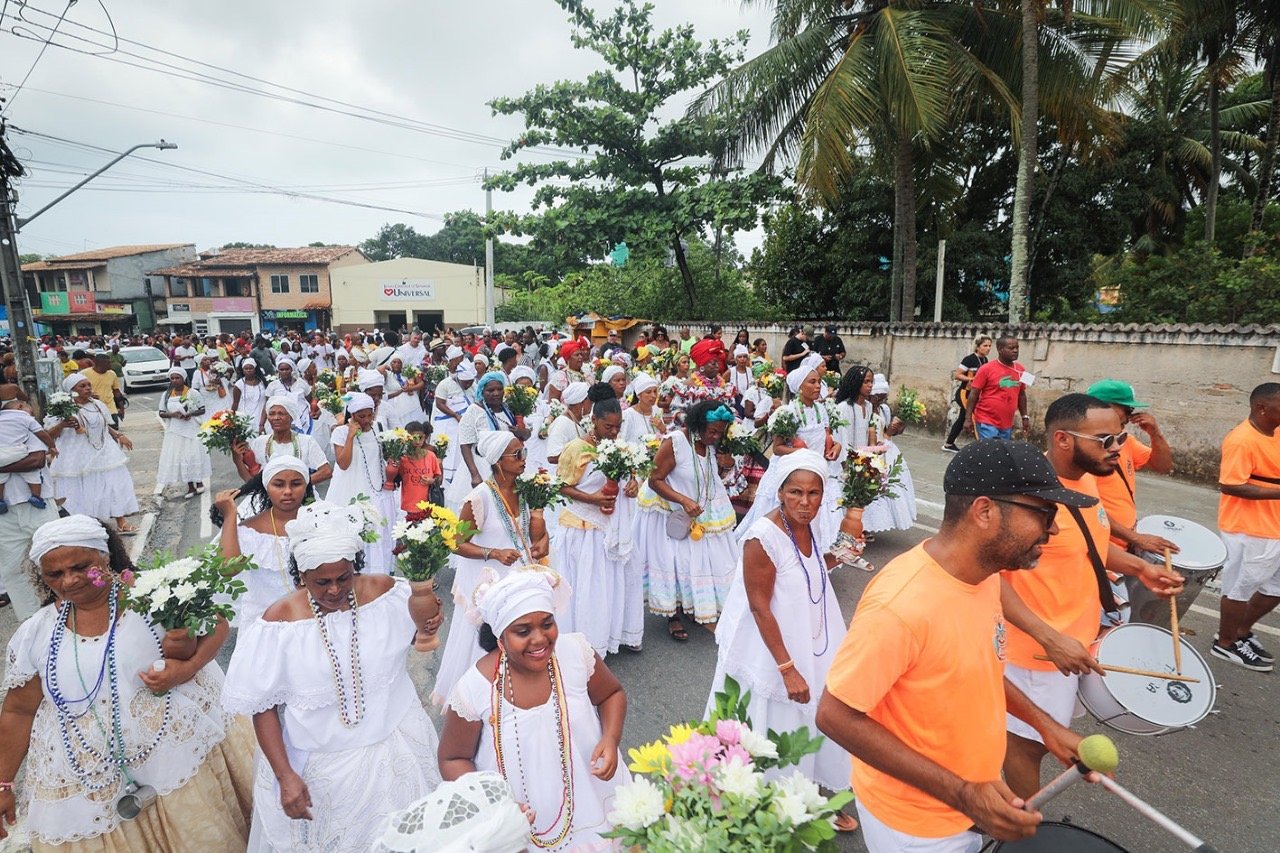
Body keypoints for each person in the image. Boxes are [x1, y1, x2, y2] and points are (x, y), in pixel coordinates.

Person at [815, 441, 1099, 851]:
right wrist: (963, 793)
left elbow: (979, 671)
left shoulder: (984, 577)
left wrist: (1046, 727)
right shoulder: (902, 606)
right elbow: (835, 715)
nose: (1053, 529)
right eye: (1044, 512)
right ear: (984, 512)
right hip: (916, 825)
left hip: (966, 800)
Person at [1, 515, 255, 850]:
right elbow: (19, 711)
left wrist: (187, 668)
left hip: (174, 763)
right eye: (55, 574)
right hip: (90, 786)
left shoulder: (155, 593)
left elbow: (217, 624)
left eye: (80, 566)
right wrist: (3, 783)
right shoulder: (36, 635)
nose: (70, 581)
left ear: (105, 557)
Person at [221, 500, 444, 852]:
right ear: (300, 577)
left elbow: (419, 634)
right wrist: (285, 776)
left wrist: (428, 619)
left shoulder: (387, 593)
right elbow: (262, 708)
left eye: (344, 578)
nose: (335, 590)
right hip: (321, 770)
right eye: (321, 582)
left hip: (396, 751)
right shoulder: (278, 624)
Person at [1000, 394, 1183, 798]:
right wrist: (1050, 638)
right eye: (1106, 440)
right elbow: (989, 579)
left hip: (1076, 642)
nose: (1117, 448)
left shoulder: (1084, 480)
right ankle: (1019, 827)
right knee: (1027, 748)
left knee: (1043, 740)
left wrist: (1140, 567)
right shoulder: (1028, 496)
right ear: (1063, 440)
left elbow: (1089, 542)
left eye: (1119, 436)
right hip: (1037, 654)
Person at [709, 450, 858, 831]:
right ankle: (769, 803)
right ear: (779, 492)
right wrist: (787, 668)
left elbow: (805, 570)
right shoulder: (761, 537)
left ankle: (812, 793)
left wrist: (836, 558)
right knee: (776, 717)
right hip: (770, 646)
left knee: (819, 712)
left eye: (813, 494)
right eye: (795, 493)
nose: (805, 503)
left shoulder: (810, 523)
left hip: (811, 633)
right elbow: (761, 607)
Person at [438, 569, 629, 852]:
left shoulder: (575, 653)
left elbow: (612, 694)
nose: (540, 639)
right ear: (500, 638)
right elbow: (452, 758)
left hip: (594, 795)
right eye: (523, 631)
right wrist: (496, 803)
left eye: (547, 623)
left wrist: (610, 738)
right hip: (520, 820)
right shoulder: (474, 689)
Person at [431, 432, 551, 704]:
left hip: (520, 580)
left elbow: (536, 535)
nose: (523, 460)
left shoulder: (526, 488)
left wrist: (543, 542)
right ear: (497, 461)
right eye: (517, 455)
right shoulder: (479, 498)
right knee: (488, 642)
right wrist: (493, 553)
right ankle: (483, 701)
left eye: (524, 453)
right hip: (489, 584)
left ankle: (518, 694)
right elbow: (456, 543)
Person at [635, 400, 739, 639]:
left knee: (698, 561)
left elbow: (710, 476)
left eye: (720, 432)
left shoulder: (714, 445)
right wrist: (683, 500)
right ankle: (672, 615)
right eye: (711, 431)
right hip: (671, 511)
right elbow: (655, 479)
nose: (714, 436)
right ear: (697, 424)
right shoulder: (676, 442)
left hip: (703, 511)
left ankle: (692, 604)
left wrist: (726, 465)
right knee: (674, 562)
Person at [555, 395, 644, 656]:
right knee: (592, 587)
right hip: (583, 529)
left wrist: (632, 484)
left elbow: (631, 476)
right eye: (608, 427)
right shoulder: (576, 448)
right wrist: (593, 498)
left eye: (618, 427)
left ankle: (620, 632)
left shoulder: (620, 447)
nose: (614, 432)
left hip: (613, 526)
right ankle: (587, 644)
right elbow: (561, 486)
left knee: (619, 580)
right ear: (593, 420)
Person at [738, 353, 843, 552]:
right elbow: (777, 448)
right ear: (799, 386)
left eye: (819, 382)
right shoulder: (788, 412)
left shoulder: (823, 409)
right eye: (812, 382)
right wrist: (799, 451)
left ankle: (814, 555)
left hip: (819, 469)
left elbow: (828, 437)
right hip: (794, 471)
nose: (817, 386)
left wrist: (836, 447)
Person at [1212, 382, 1280, 672]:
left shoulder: (1276, 433)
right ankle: (1225, 643)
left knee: (1275, 587)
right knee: (1239, 589)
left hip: (1273, 526)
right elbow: (1231, 485)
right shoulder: (1242, 440)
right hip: (1247, 529)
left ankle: (1241, 632)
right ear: (1261, 408)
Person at [212, 456, 315, 626]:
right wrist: (230, 515)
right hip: (262, 621)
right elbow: (227, 569)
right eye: (279, 484)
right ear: (267, 487)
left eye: (296, 484)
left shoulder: (320, 520)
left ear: (306, 486)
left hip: (309, 616)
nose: (288, 491)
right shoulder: (250, 530)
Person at [45, 374, 140, 534]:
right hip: (76, 456)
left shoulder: (97, 404)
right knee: (80, 490)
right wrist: (63, 424)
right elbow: (48, 435)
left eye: (88, 385)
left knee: (113, 484)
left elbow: (104, 425)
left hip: (104, 452)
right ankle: (84, 527)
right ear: (72, 390)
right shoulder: (61, 408)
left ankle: (121, 521)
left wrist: (118, 435)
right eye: (82, 386)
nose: (88, 388)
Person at [328, 392, 401, 571]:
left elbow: (381, 456)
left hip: (378, 490)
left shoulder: (379, 427)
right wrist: (351, 436)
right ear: (351, 415)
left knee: (378, 532)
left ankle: (377, 574)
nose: (367, 420)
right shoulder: (340, 432)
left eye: (370, 414)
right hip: (351, 490)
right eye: (361, 416)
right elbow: (343, 464)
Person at [447, 371, 525, 509]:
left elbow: (524, 436)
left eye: (499, 389)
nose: (496, 393)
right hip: (482, 465)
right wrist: (475, 474)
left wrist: (522, 432)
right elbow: (465, 444)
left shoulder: (509, 408)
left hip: (508, 466)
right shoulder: (474, 410)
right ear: (482, 391)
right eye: (490, 390)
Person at [233, 395, 332, 487]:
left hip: (301, 496)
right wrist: (237, 460)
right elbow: (250, 480)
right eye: (272, 414)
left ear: (291, 417)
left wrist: (298, 486)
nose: (276, 418)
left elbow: (326, 472)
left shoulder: (306, 441)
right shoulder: (260, 442)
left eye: (281, 413)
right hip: (267, 497)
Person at [156, 367, 211, 498]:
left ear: (184, 378)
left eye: (178, 378)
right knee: (182, 458)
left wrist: (190, 414)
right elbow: (161, 412)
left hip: (191, 430)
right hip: (175, 432)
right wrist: (172, 415)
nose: (175, 380)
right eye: (172, 378)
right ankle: (190, 487)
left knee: (193, 455)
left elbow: (202, 409)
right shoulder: (167, 395)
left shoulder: (192, 393)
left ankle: (199, 482)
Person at [963, 335, 1030, 440]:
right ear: (1000, 349)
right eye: (1011, 348)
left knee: (1001, 452)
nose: (1015, 351)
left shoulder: (1021, 369)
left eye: (1017, 348)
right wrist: (968, 418)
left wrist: (1025, 416)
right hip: (986, 420)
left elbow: (1022, 395)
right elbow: (974, 394)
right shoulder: (986, 369)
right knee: (991, 451)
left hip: (1006, 423)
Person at [0, 400, 54, 513]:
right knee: (32, 476)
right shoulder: (24, 419)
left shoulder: (25, 428)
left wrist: (2, 468)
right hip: (19, 452)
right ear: (20, 407)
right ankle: (35, 496)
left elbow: (36, 461)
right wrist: (53, 446)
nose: (32, 413)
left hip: (28, 508)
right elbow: (43, 435)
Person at [942, 335, 992, 452]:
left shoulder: (985, 360)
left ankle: (949, 444)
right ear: (978, 347)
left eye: (989, 346)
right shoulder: (969, 359)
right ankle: (981, 446)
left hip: (975, 395)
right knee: (971, 417)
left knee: (963, 418)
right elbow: (958, 375)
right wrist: (971, 380)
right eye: (985, 346)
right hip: (965, 394)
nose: (988, 348)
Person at [433, 361, 475, 484]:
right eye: (465, 382)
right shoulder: (445, 384)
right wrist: (455, 415)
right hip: (448, 424)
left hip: (465, 425)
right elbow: (439, 404)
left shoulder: (473, 386)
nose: (468, 385)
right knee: (449, 451)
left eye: (470, 382)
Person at [399, 421, 443, 515]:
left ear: (425, 437)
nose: (417, 441)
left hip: (429, 502)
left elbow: (439, 478)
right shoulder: (403, 459)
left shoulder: (431, 456)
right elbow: (396, 478)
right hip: (410, 503)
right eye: (413, 438)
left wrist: (431, 481)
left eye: (420, 437)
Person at [544, 381, 592, 465]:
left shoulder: (578, 420)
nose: (592, 403)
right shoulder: (562, 423)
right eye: (590, 400)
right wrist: (583, 454)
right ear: (581, 403)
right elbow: (552, 456)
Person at [264, 358, 312, 435]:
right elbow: (267, 405)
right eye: (281, 370)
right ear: (278, 371)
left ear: (291, 369)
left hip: (302, 420)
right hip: (279, 420)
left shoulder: (301, 383)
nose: (284, 372)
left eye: (287, 369)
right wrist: (261, 424)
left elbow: (309, 399)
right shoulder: (273, 386)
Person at [83, 352, 128, 428]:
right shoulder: (84, 374)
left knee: (114, 428)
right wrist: (89, 395)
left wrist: (121, 408)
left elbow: (116, 392)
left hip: (110, 408)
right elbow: (76, 391)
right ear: (98, 363)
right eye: (108, 363)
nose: (110, 365)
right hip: (92, 408)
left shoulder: (112, 374)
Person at [231, 359, 268, 434]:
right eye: (246, 368)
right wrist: (232, 419)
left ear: (255, 369)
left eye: (251, 368)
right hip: (245, 416)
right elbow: (235, 403)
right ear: (243, 370)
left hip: (261, 415)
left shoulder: (262, 382)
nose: (248, 370)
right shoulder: (239, 385)